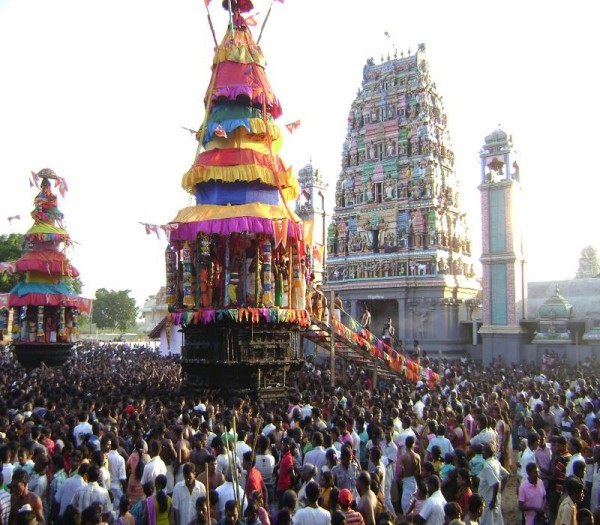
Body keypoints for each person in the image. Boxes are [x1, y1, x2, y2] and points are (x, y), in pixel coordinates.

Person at [477, 443, 509, 525]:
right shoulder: (496, 462)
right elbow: (506, 475)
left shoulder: (487, 466)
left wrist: (493, 500)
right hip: (495, 499)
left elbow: (495, 483)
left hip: (488, 501)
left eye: (483, 451)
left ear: (486, 452)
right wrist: (499, 492)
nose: (482, 453)